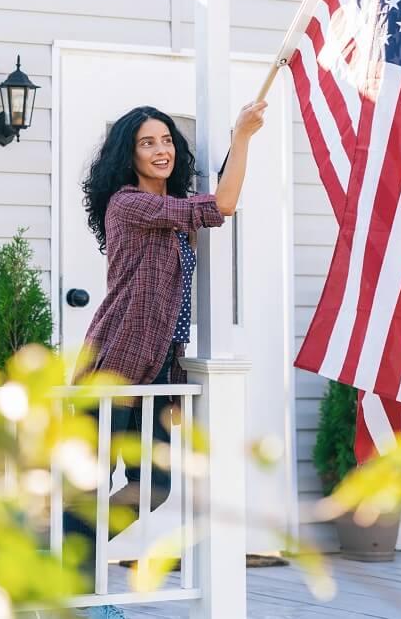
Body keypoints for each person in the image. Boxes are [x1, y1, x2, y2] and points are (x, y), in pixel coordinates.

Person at [69, 102, 266, 618]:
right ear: (128, 155)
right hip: (113, 365)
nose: (161, 150)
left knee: (152, 486)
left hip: (158, 369)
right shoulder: (128, 204)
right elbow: (221, 205)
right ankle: (80, 595)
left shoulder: (173, 215)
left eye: (167, 142)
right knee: (89, 485)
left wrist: (175, 376)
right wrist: (243, 136)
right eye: (147, 143)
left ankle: (67, 567)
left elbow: (173, 299)